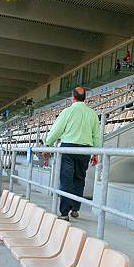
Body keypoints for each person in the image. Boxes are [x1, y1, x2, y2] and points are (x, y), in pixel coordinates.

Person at [44, 87, 100, 221]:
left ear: (72, 97)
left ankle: (64, 213)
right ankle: (75, 209)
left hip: (68, 148)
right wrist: (96, 153)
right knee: (79, 179)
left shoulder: (67, 111)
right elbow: (96, 135)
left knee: (66, 179)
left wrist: (48, 144)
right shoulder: (92, 114)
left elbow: (56, 130)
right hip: (85, 150)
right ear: (85, 98)